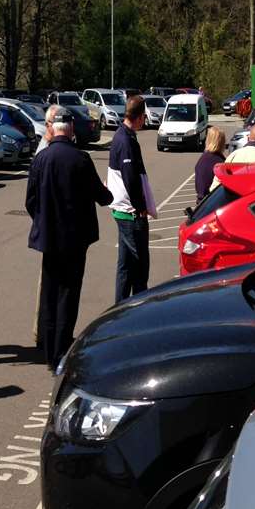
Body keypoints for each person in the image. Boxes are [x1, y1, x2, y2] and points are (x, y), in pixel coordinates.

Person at [24, 106, 110, 371]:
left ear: (54, 129)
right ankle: (61, 353)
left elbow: (30, 201)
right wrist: (109, 194)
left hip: (49, 238)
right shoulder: (80, 159)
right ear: (70, 129)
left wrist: (42, 220)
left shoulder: (42, 159)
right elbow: (101, 196)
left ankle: (50, 352)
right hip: (74, 239)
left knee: (50, 294)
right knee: (68, 296)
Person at [107, 95, 157, 303]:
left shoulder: (122, 135)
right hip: (131, 213)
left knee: (125, 265)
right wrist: (140, 207)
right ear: (140, 117)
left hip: (123, 211)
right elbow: (130, 178)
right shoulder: (126, 141)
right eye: (143, 118)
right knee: (139, 266)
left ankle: (119, 306)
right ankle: (138, 309)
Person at [195, 128, 227, 204]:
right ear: (221, 142)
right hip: (212, 202)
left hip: (202, 201)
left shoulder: (203, 158)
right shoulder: (219, 161)